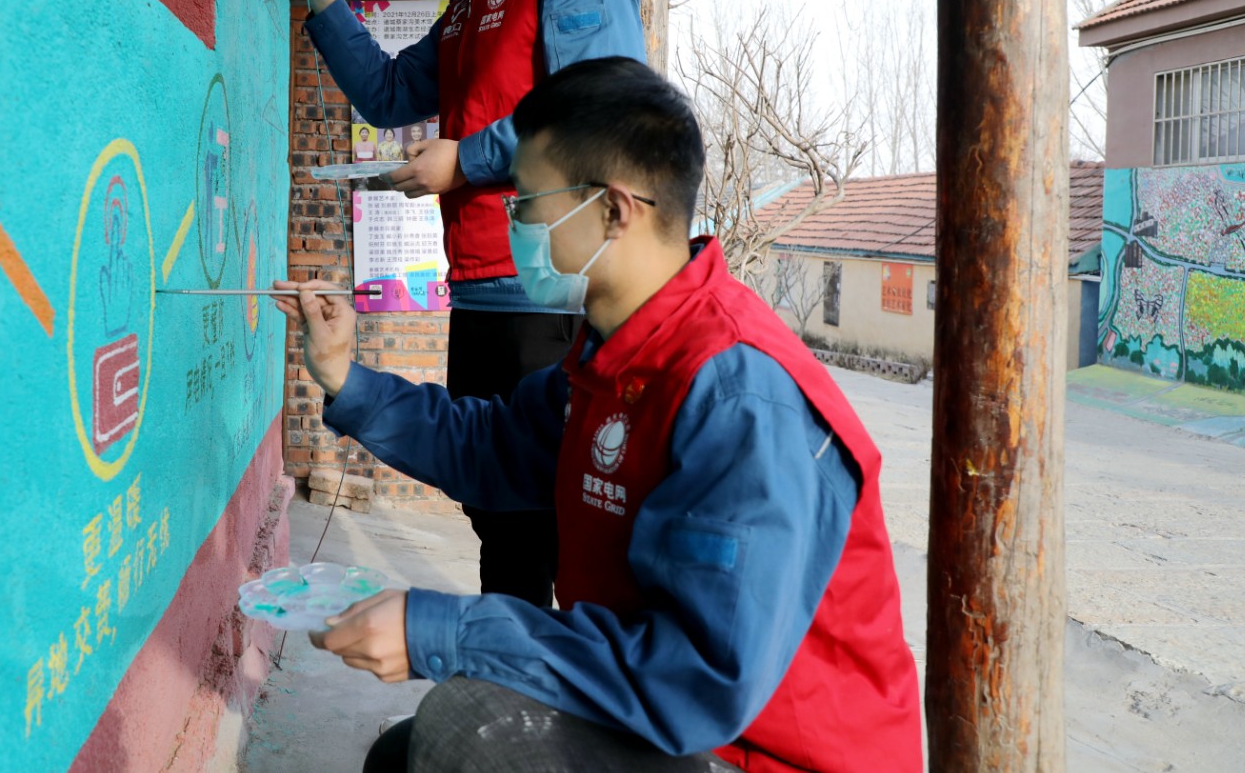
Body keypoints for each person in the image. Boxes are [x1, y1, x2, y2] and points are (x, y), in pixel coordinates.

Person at [272, 60, 922, 773]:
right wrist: (342, 374)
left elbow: (697, 678)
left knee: (469, 724)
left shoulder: (737, 396)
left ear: (613, 210)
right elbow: (494, 447)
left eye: (525, 201)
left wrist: (446, 630)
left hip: (757, 750)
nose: (511, 221)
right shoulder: (615, 355)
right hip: (680, 719)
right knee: (405, 754)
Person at [289, 0, 645, 607]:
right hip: (481, 293)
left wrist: (468, 161)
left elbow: (604, 110)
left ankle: (555, 705)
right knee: (497, 513)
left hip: (552, 295)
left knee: (553, 522)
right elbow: (385, 93)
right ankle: (506, 703)